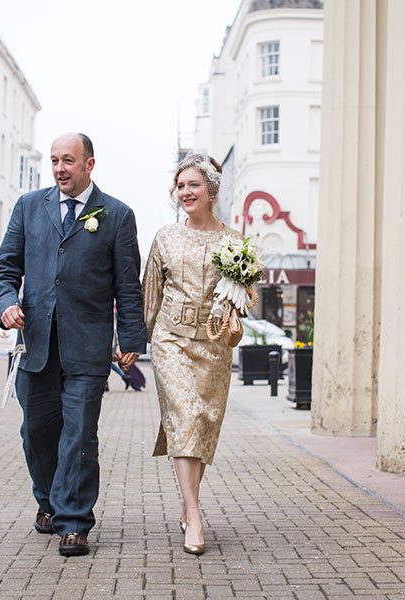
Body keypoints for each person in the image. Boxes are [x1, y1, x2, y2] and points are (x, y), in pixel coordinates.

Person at [0, 132, 146, 557]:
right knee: (37, 433)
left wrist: (131, 337)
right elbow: (5, 269)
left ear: (89, 165)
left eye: (69, 161)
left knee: (78, 436)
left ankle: (74, 523)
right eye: (56, 160)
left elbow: (127, 285)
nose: (60, 168)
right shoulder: (28, 206)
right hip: (35, 344)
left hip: (87, 345)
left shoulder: (117, 215)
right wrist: (7, 305)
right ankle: (47, 502)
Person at [142, 153, 243, 555]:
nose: (185, 191)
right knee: (185, 415)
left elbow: (243, 295)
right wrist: (135, 342)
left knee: (202, 423)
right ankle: (194, 512)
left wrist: (238, 303)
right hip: (171, 339)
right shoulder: (165, 237)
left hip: (214, 344)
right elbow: (149, 293)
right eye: (180, 185)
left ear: (211, 190)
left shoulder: (234, 242)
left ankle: (189, 506)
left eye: (193, 185)